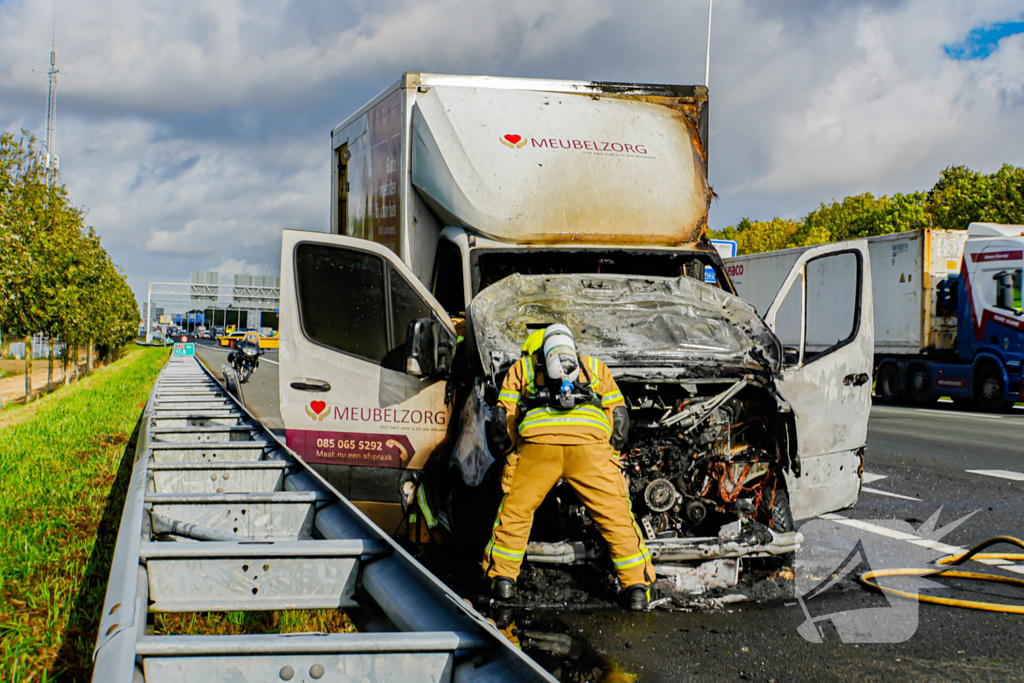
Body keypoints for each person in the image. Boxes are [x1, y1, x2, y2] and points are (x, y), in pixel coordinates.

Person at [482, 324, 655, 610]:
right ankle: (636, 588)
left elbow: (503, 419)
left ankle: (502, 580)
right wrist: (607, 454)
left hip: (539, 446)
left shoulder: (523, 368)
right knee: (616, 517)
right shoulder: (594, 367)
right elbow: (620, 418)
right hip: (590, 445)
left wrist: (514, 452)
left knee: (516, 513)